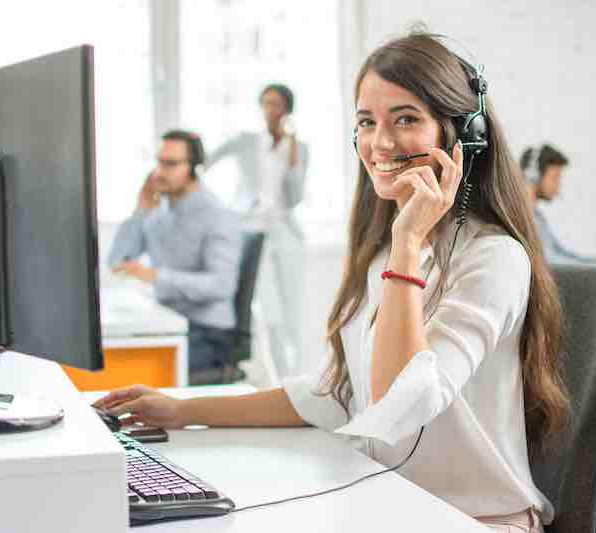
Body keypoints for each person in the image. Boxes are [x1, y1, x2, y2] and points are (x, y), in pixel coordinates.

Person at [96, 30, 571, 533]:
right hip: (392, 505)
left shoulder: (493, 259)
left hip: (476, 520)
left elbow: (400, 405)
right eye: (367, 122)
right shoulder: (386, 253)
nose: (380, 143)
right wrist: (183, 410)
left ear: (462, 136)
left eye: (405, 119)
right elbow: (339, 394)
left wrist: (410, 237)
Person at [108, 130, 242, 378]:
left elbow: (222, 285)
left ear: (194, 168)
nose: (160, 172)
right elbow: (118, 262)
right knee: (110, 356)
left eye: (170, 164)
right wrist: (140, 210)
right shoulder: (160, 210)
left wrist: (156, 276)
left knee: (132, 371)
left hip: (208, 332)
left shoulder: (217, 215)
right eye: (158, 162)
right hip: (167, 321)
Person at [205, 84, 309, 376]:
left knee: (292, 308)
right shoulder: (245, 141)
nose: (269, 110)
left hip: (285, 233)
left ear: (287, 109)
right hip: (251, 231)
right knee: (267, 308)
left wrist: (292, 158)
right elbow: (205, 162)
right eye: (265, 103)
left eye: (275, 104)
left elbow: (295, 197)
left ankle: (295, 376)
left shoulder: (299, 148)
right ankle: (276, 376)